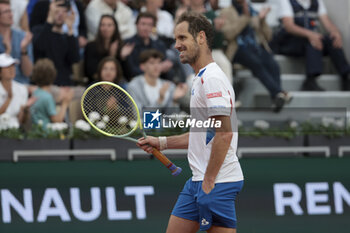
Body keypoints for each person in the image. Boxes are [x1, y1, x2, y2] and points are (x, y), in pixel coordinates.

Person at [137, 12, 244, 233]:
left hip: (217, 182)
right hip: (198, 180)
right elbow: (204, 133)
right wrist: (162, 142)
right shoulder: (200, 78)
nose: (176, 45)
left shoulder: (212, 79)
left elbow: (224, 134)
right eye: (176, 39)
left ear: (201, 37)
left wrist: (209, 182)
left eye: (182, 38)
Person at [221, 0, 292, 112]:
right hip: (237, 49)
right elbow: (228, 34)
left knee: (273, 64)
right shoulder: (226, 12)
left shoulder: (253, 10)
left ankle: (276, 98)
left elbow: (268, 36)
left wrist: (262, 20)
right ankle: (279, 93)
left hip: (255, 48)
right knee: (256, 63)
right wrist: (245, 17)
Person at [271, 0, 350, 91]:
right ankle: (310, 80)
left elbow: (327, 22)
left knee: (331, 40)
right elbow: (289, 26)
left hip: (309, 41)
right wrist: (311, 35)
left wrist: (336, 33)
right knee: (313, 41)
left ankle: (345, 76)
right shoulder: (286, 1)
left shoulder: (317, 2)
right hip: (289, 42)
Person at [32, 0, 80, 86]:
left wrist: (70, 29)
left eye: (64, 11)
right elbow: (40, 47)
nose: (60, 14)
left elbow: (74, 59)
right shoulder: (39, 31)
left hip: (65, 84)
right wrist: (49, 20)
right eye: (56, 11)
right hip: (44, 83)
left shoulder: (68, 36)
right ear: (50, 12)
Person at [127, 49, 187, 114]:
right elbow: (138, 114)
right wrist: (160, 100)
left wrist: (174, 101)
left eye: (159, 62)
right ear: (142, 66)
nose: (156, 66)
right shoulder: (134, 86)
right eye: (152, 63)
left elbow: (171, 116)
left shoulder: (169, 85)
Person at [84, 15, 134, 85]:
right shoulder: (91, 46)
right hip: (97, 85)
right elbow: (91, 72)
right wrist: (111, 56)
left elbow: (129, 75)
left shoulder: (121, 46)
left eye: (109, 25)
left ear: (115, 28)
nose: (106, 28)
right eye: (103, 25)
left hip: (118, 85)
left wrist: (123, 58)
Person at [30, 58, 74, 127]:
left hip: (36, 132)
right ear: (53, 75)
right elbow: (57, 120)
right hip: (46, 134)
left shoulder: (35, 93)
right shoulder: (47, 97)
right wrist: (65, 103)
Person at [0, 0, 33, 84]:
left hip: (22, 84)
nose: (11, 15)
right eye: (6, 12)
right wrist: (7, 52)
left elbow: (28, 72)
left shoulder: (23, 37)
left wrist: (23, 50)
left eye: (11, 11)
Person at [0, 53, 34, 128]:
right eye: (7, 67)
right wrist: (9, 99)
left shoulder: (22, 89)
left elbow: (21, 120)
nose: (11, 69)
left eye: (13, 66)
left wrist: (25, 110)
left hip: (15, 132)